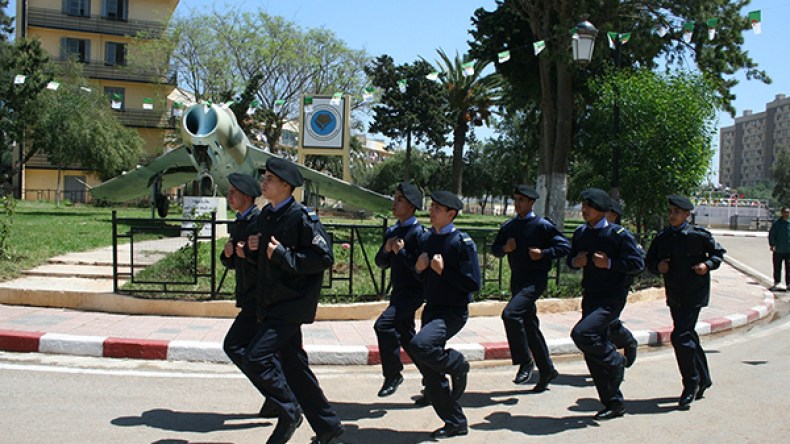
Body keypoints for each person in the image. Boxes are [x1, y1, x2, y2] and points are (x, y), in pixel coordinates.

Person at [242, 157, 343, 444]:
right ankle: (329, 428)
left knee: (255, 358)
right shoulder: (266, 215)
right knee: (296, 370)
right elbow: (264, 258)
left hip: (291, 305)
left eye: (270, 179)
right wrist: (252, 250)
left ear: (286, 186)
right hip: (271, 303)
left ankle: (289, 410)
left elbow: (323, 257)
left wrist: (284, 255)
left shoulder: (301, 217)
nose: (263, 182)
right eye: (264, 177)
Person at [568, 188, 644, 420]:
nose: (584, 210)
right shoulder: (581, 233)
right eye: (583, 206)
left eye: (589, 207)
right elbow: (571, 260)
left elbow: (637, 263)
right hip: (591, 295)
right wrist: (575, 262)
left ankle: (615, 360)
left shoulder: (619, 235)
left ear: (601, 210)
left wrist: (609, 263)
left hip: (612, 298)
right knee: (591, 351)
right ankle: (613, 403)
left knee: (582, 334)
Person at [411, 191, 481, 439]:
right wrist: (419, 270)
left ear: (451, 214)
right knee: (431, 371)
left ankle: (457, 364)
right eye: (431, 207)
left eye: (437, 208)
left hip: (452, 312)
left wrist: (443, 272)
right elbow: (422, 276)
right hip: (432, 309)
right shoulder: (428, 239)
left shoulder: (461, 242)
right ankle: (455, 422)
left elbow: (473, 283)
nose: (431, 211)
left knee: (420, 345)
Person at [645, 195, 725, 409]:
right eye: (670, 211)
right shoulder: (663, 238)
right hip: (675, 293)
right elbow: (649, 261)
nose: (672, 215)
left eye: (676, 212)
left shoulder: (698, 236)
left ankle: (690, 383)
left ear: (687, 215)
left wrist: (707, 265)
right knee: (687, 336)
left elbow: (718, 254)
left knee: (680, 336)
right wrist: (658, 266)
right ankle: (704, 377)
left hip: (694, 293)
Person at [491, 185, 570, 391]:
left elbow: (564, 246)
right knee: (530, 326)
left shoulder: (542, 225)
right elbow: (495, 249)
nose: (517, 204)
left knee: (510, 314)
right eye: (516, 199)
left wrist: (543, 253)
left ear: (531, 203)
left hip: (534, 282)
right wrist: (504, 249)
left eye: (522, 200)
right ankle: (547, 369)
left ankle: (525, 361)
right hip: (517, 281)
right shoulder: (509, 226)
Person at [219, 172, 278, 418]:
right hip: (248, 294)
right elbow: (235, 262)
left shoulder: (257, 221)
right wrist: (228, 254)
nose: (229, 196)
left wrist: (246, 255)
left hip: (260, 296)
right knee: (259, 351)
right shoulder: (240, 221)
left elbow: (267, 259)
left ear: (245, 196)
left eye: (233, 193)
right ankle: (276, 394)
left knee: (235, 345)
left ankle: (278, 391)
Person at [373, 182, 426, 398]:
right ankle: (434, 380)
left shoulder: (419, 234)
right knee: (408, 339)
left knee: (383, 325)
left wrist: (402, 253)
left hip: (413, 293)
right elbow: (380, 262)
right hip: (398, 292)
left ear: (412, 206)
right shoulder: (393, 231)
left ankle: (393, 374)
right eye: (394, 198)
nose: (394, 203)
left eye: (400, 200)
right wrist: (387, 250)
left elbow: (420, 270)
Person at [605, 198, 639, 368]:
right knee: (601, 324)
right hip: (597, 287)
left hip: (618, 287)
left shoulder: (623, 236)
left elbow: (636, 264)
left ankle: (627, 342)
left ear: (613, 215)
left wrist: (610, 264)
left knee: (607, 322)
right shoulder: (595, 233)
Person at [768, 207, 790, 291]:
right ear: (782, 213)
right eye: (785, 212)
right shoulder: (777, 224)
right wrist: (772, 244)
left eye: (788, 212)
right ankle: (777, 283)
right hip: (778, 250)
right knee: (777, 267)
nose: (786, 214)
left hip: (788, 250)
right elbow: (771, 234)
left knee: (789, 268)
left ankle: (788, 284)